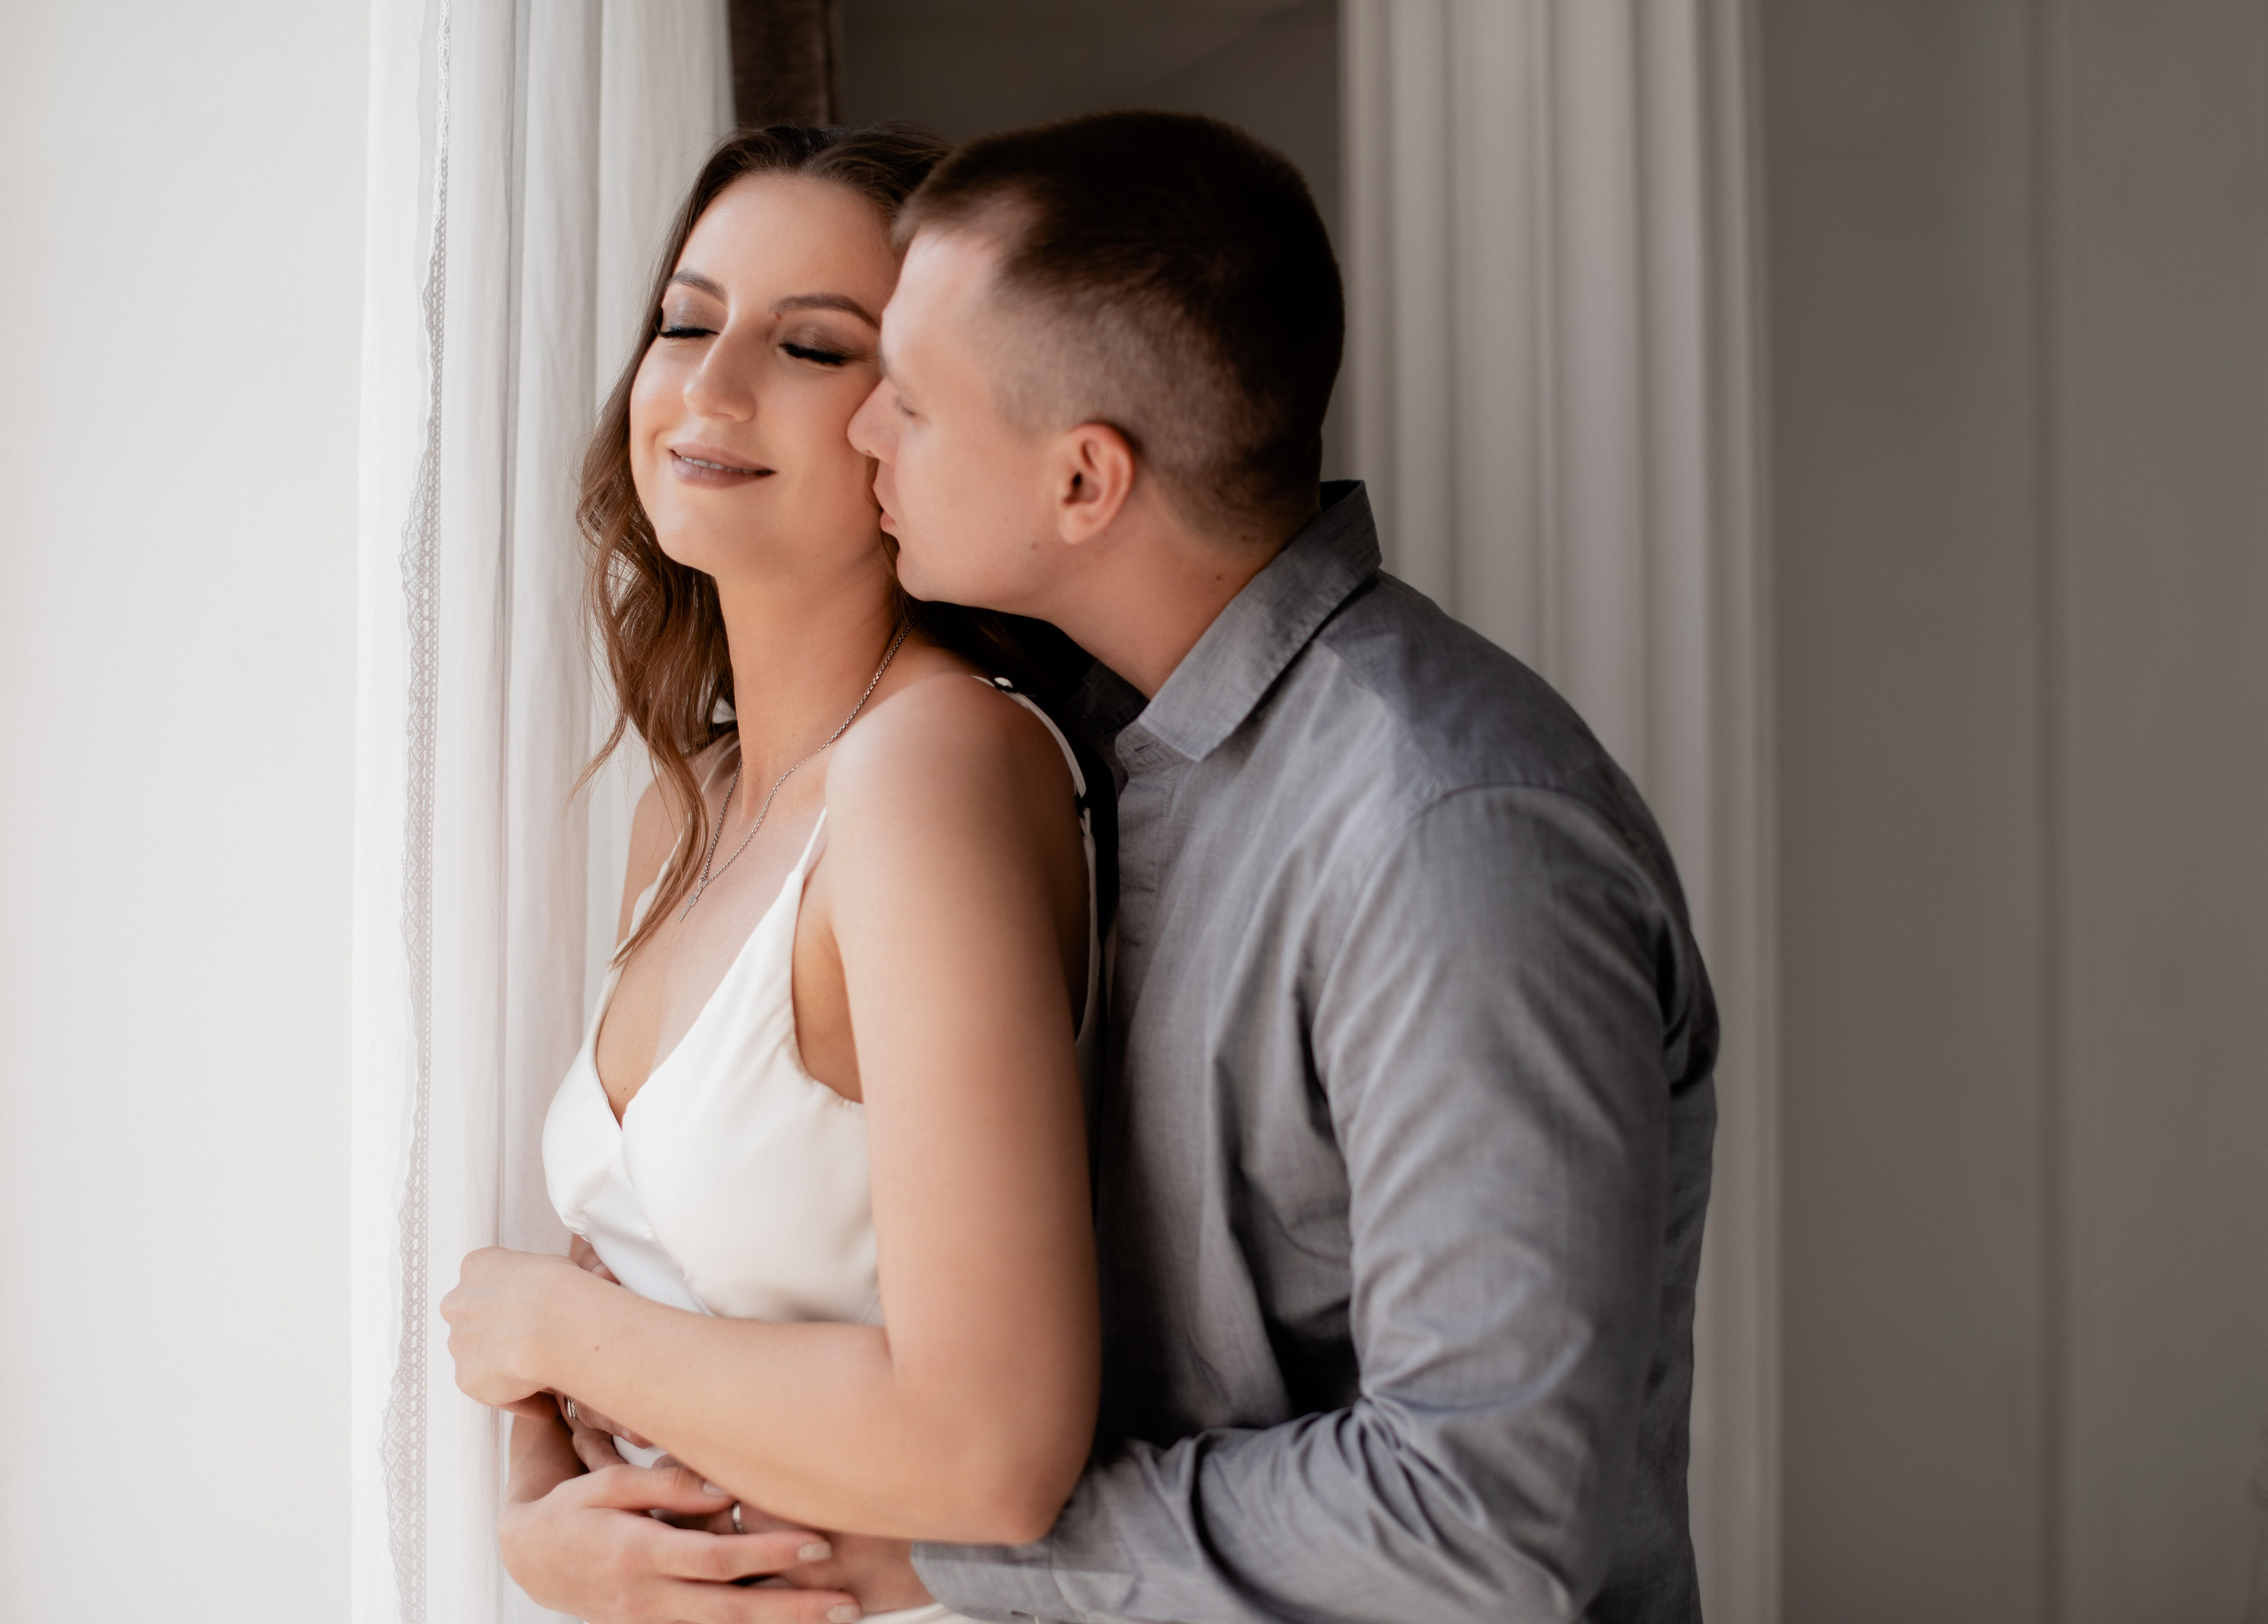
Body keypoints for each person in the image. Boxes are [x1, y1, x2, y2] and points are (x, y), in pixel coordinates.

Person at [838, 111, 1720, 1622]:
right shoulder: (1052, 756)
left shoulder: (1451, 836)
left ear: (1083, 483)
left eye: (909, 403)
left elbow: (1482, 1518)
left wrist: (955, 1554)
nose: (862, 432)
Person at [439, 125, 1106, 1624]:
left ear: (916, 417)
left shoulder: (931, 771)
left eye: (812, 346)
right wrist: (538, 1503)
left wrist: (542, 1328)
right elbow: (636, 1287)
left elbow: (990, 1447)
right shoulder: (690, 806)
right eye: (687, 319)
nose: (709, 383)